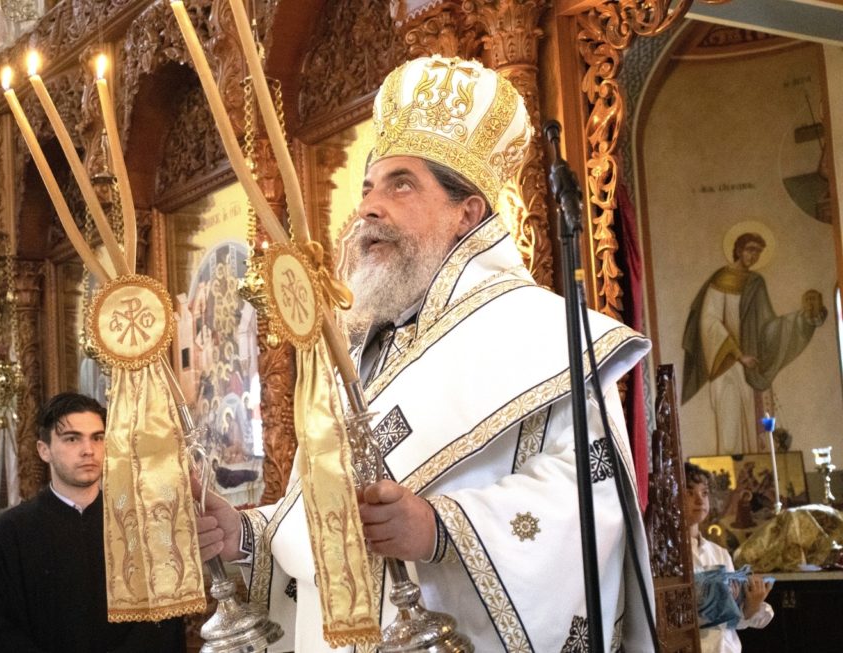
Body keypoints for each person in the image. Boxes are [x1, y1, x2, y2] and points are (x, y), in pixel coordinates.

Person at [194, 55, 656, 651]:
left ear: (468, 212)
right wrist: (247, 538)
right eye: (367, 188)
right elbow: (324, 525)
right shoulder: (364, 349)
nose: (369, 207)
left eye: (401, 184)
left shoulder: (546, 338)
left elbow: (591, 504)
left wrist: (441, 530)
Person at [0, 392, 185, 652]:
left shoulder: (142, 529)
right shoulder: (5, 537)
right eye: (72, 439)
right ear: (44, 450)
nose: (88, 450)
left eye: (97, 438)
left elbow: (163, 619)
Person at [682, 232, 826, 454]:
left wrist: (802, 319)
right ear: (738, 250)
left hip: (751, 367)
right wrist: (739, 355)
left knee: (752, 426)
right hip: (726, 363)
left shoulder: (756, 283)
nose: (754, 256)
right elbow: (709, 321)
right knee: (729, 424)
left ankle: (755, 476)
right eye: (750, 250)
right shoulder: (720, 280)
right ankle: (728, 480)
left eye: (758, 252)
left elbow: (768, 328)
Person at [684, 462, 773, 652]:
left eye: (704, 493)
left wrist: (751, 605)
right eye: (690, 493)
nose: (700, 501)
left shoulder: (719, 553)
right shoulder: (665, 555)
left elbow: (733, 619)